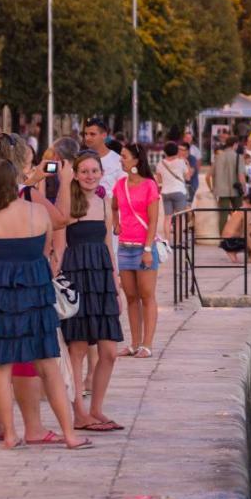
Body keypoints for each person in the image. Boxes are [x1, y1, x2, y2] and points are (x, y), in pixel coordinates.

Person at [0, 159, 90, 450]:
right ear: (15, 183)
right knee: (48, 365)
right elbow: (46, 252)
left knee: (0, 366)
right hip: (35, 295)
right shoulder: (38, 212)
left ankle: (10, 434)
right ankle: (70, 435)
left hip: (0, 297)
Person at [59, 153, 123, 432]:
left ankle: (96, 408)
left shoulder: (104, 202)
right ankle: (79, 413)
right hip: (76, 275)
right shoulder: (67, 203)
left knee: (109, 351)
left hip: (102, 278)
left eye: (94, 170)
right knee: (78, 349)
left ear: (101, 172)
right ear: (74, 174)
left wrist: (116, 281)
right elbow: (59, 247)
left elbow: (108, 244)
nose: (89, 175)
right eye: (84, 171)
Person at [112, 143, 160, 359]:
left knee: (147, 295)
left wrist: (148, 249)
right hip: (124, 247)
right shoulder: (119, 185)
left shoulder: (150, 185)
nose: (121, 160)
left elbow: (153, 220)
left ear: (135, 160)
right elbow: (113, 206)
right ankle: (134, 343)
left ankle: (147, 344)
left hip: (143, 248)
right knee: (131, 297)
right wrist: (115, 222)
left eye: (124, 156)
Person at [206, 135, 244, 229]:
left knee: (223, 214)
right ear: (235, 144)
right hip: (236, 189)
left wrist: (212, 188)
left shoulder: (218, 157)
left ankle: (222, 235)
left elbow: (208, 175)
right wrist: (244, 188)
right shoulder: (239, 157)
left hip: (221, 190)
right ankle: (239, 233)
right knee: (239, 214)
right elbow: (241, 175)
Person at [81, 117, 123, 198]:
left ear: (104, 135)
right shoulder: (80, 159)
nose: (87, 138)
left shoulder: (118, 161)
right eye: (85, 134)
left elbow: (124, 191)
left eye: (92, 134)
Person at [155, 141, 192, 218]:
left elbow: (159, 181)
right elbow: (188, 177)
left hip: (165, 192)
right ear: (176, 151)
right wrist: (187, 164)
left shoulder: (160, 164)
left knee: (167, 218)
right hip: (179, 191)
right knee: (179, 218)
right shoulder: (181, 162)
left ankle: (167, 230)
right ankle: (179, 229)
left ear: (165, 152)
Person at [181, 130, 201, 203]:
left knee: (188, 202)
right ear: (183, 138)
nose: (188, 139)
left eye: (189, 138)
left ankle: (189, 212)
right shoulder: (180, 149)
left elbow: (198, 163)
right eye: (186, 137)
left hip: (192, 180)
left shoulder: (195, 150)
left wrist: (195, 172)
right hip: (183, 180)